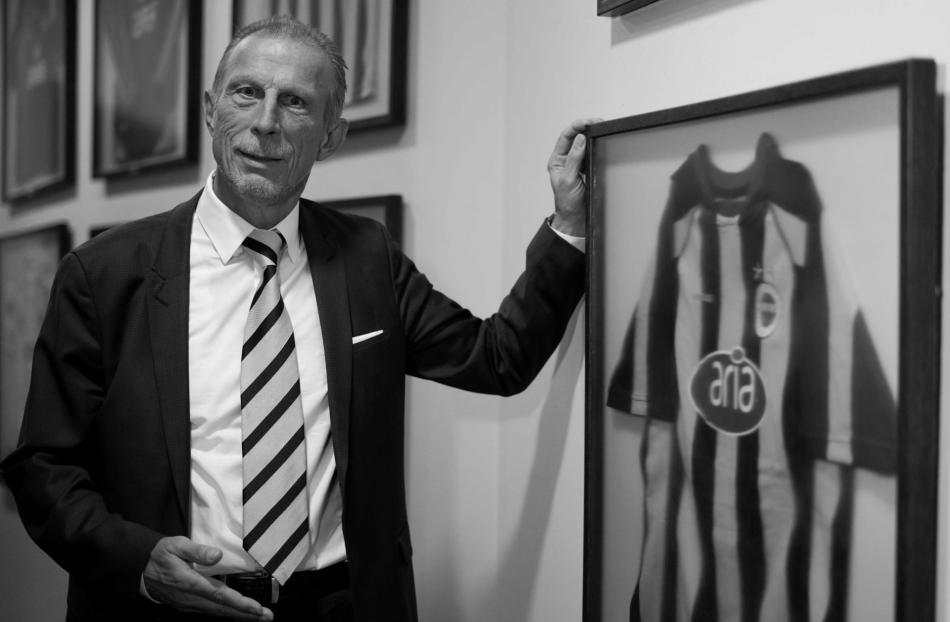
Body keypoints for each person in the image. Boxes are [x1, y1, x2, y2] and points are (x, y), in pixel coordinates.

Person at [1, 15, 594, 622]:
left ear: (331, 136)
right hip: (168, 606)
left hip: (341, 605)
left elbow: (496, 359)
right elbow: (43, 467)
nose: (266, 123)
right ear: (210, 111)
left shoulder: (366, 258)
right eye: (246, 93)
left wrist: (570, 225)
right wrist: (138, 560)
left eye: (295, 102)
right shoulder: (105, 275)